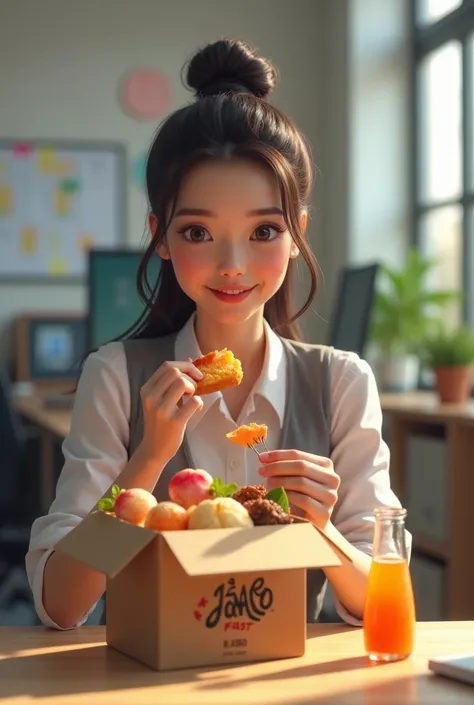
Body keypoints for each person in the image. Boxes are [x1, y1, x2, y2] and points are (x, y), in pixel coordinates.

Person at [26, 38, 408, 631]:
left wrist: (323, 529)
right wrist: (148, 458)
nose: (233, 264)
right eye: (199, 233)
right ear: (159, 234)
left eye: (263, 231)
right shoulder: (115, 376)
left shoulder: (341, 382)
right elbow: (62, 606)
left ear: (297, 231)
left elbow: (383, 607)